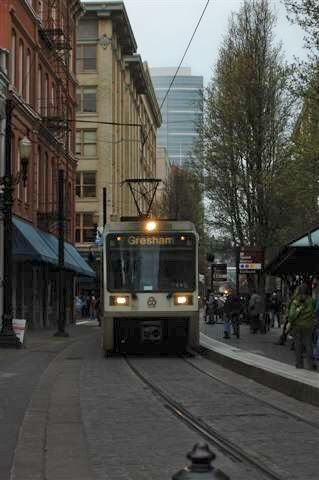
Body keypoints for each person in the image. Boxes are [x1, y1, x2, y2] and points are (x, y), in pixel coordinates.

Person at [288, 283, 317, 370]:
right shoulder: (312, 301)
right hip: (309, 326)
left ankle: (299, 364)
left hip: (297, 326)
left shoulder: (296, 301)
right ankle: (311, 365)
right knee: (309, 345)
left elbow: (291, 316)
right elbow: (314, 311)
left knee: (298, 345)